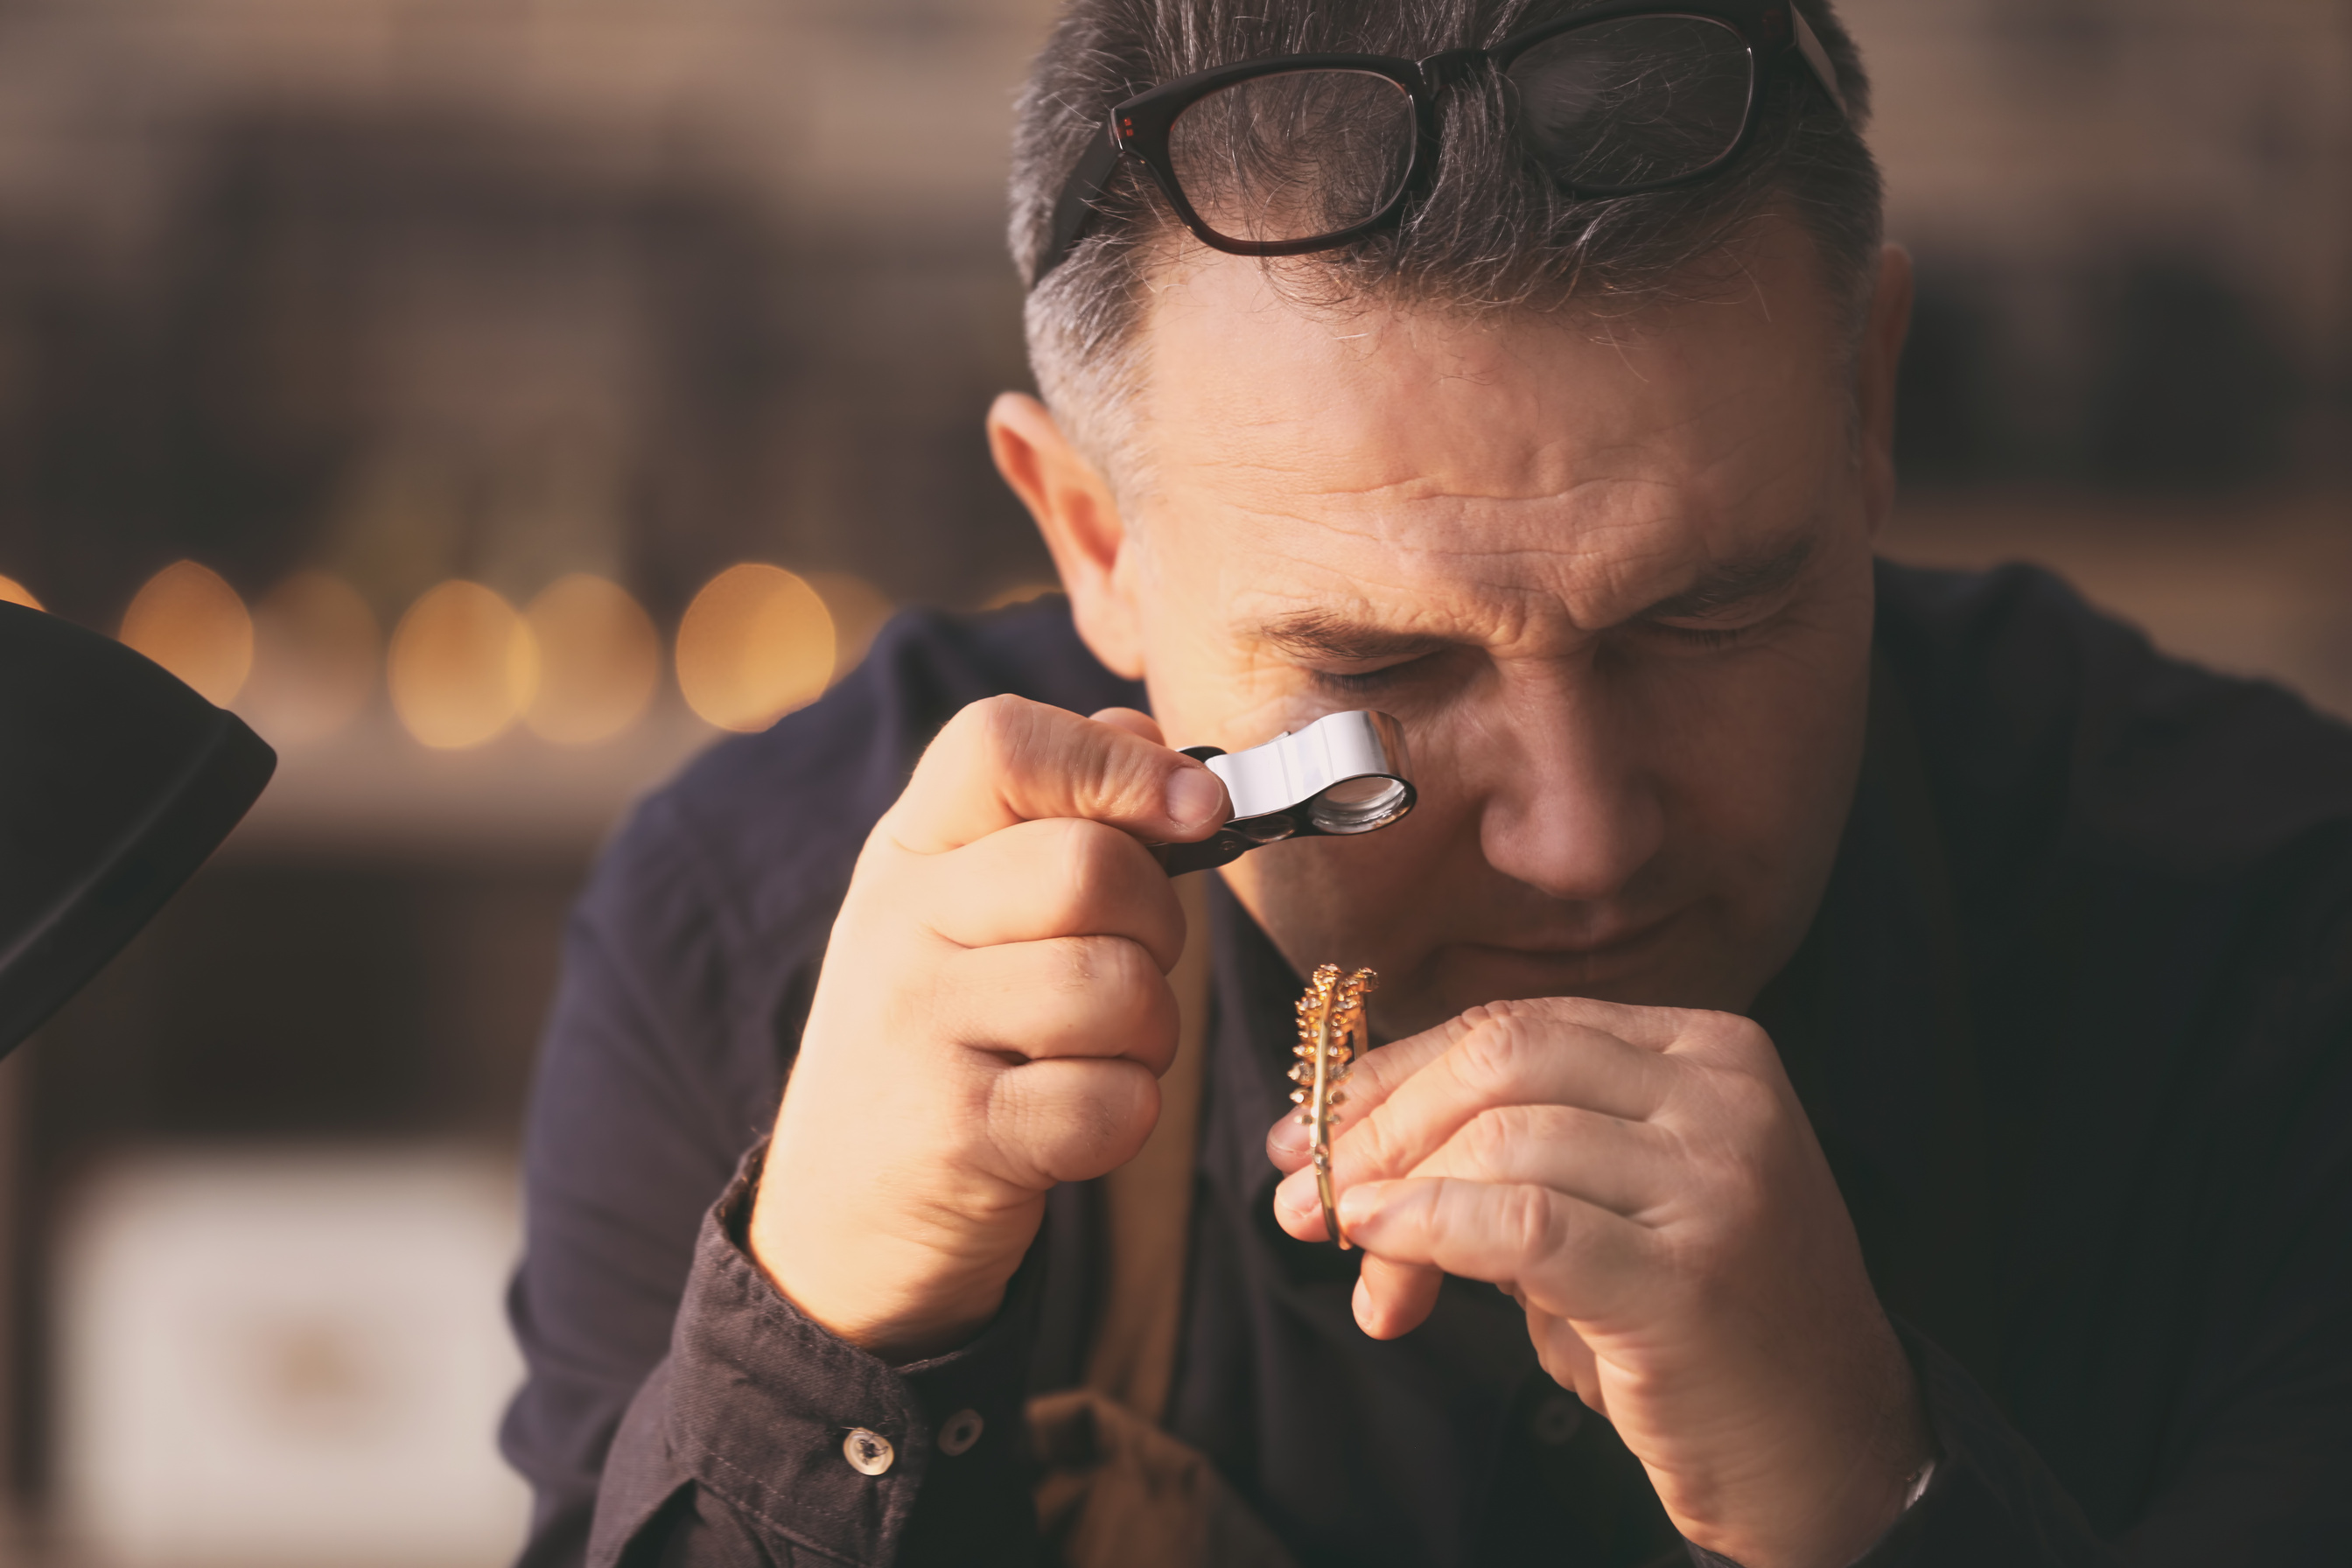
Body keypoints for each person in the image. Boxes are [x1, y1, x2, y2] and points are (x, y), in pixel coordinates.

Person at [499, 2, 2352, 1564]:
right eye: (1380, 670)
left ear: (1867, 403)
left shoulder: (2274, 946)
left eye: (1707, 613)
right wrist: (830, 1338)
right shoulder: (756, 929)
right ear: (1092, 538)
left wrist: (1880, 1491)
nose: (1582, 832)